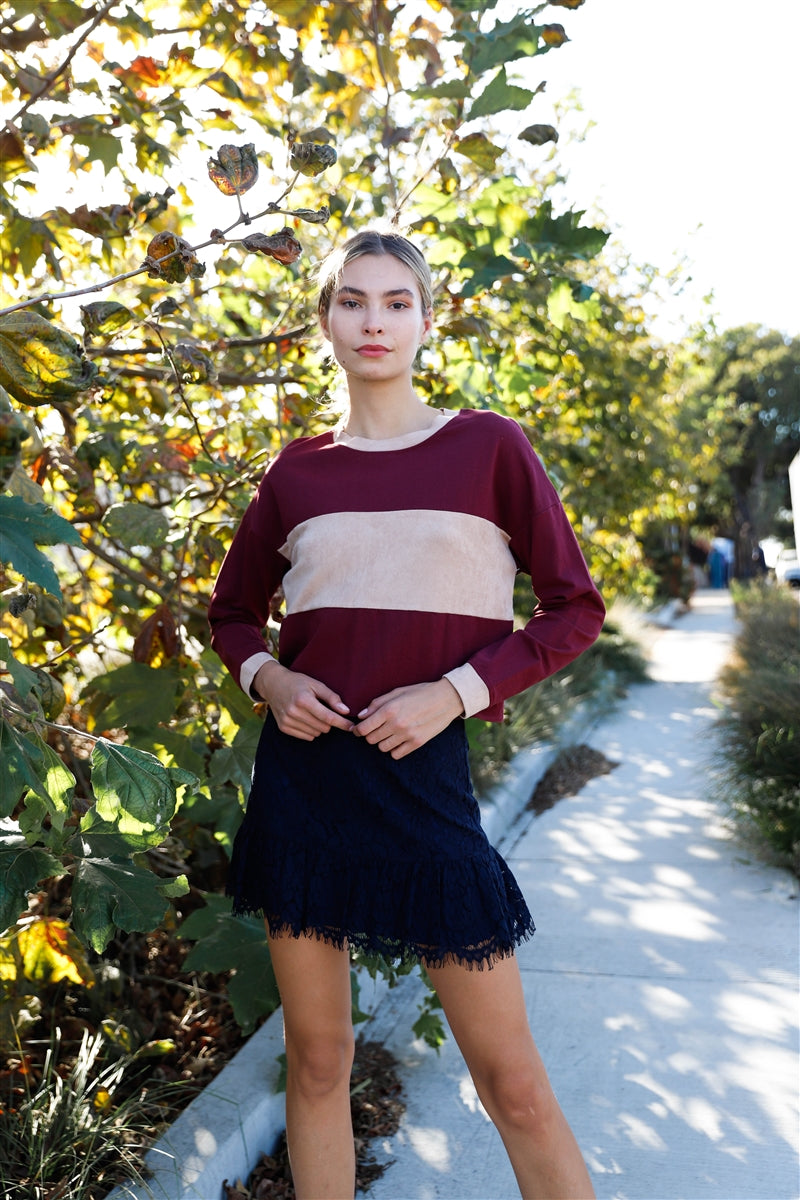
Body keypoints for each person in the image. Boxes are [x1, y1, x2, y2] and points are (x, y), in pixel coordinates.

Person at [208, 229, 605, 1200]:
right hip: (306, 792)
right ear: (325, 323)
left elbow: (574, 608)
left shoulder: (488, 448)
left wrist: (455, 692)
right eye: (351, 301)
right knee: (316, 1062)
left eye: (394, 301)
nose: (373, 320)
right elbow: (229, 615)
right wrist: (271, 679)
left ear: (428, 320)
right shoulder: (294, 473)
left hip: (428, 796)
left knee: (511, 1086)